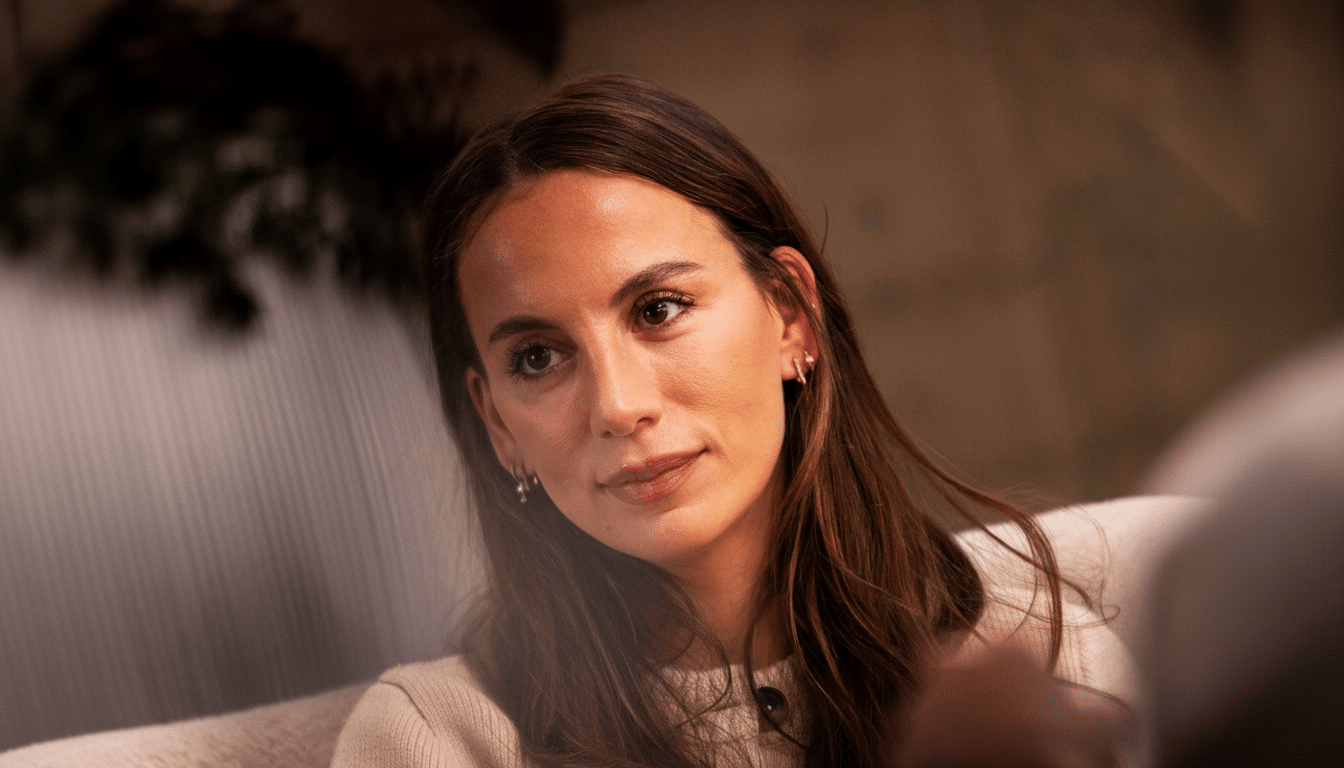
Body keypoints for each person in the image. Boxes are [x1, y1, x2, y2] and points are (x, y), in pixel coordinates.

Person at [332, 73, 1130, 768]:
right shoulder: (434, 744)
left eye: (659, 308)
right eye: (538, 358)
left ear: (790, 317)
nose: (617, 405)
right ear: (497, 425)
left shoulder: (1042, 654)